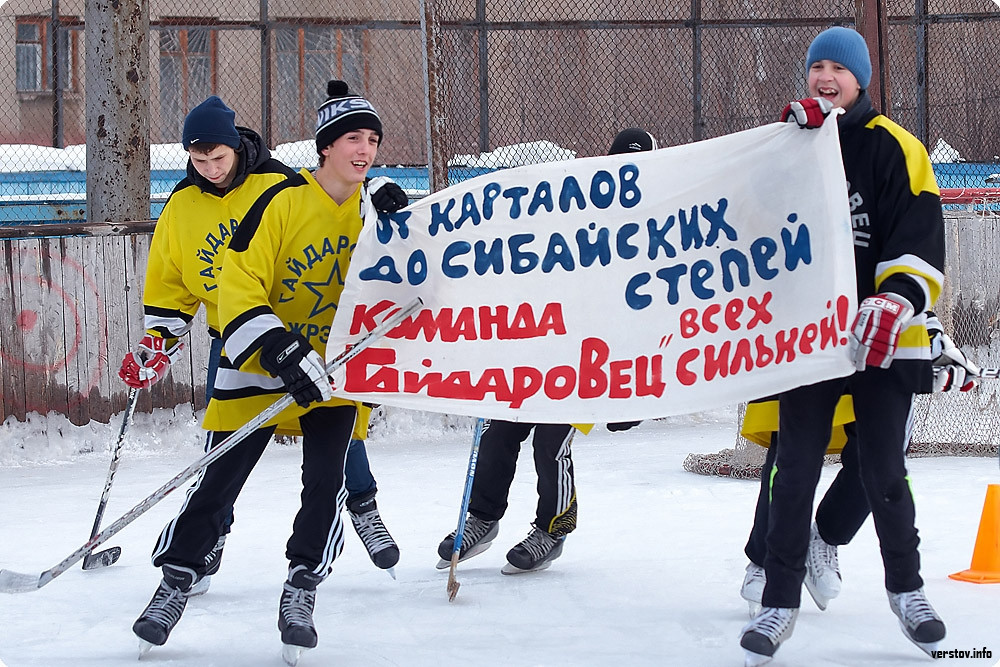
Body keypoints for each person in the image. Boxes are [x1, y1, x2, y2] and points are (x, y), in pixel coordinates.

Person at [130, 81, 399, 661]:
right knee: (220, 475)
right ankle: (178, 577)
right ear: (326, 145)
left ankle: (302, 585)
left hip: (333, 369)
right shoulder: (274, 202)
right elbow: (233, 281)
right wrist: (271, 347)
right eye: (353, 137)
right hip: (254, 354)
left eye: (372, 139)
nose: (365, 148)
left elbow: (412, 271)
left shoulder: (362, 201)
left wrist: (400, 215)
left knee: (326, 482)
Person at [739, 27, 948, 665]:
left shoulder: (896, 149)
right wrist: (783, 148)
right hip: (810, 341)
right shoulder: (795, 143)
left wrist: (898, 296)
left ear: (862, 79)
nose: (825, 77)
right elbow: (752, 223)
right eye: (817, 66)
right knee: (792, 466)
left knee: (882, 468)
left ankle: (908, 592)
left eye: (839, 67)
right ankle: (777, 602)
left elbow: (917, 228)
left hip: (878, 342)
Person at [435, 128, 657, 575]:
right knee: (498, 431)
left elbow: (650, 312)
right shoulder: (574, 210)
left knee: (551, 443)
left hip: (592, 363)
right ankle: (482, 517)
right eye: (615, 165)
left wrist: (631, 392)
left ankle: (552, 529)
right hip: (541, 347)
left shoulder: (654, 230)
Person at [739, 313, 981, 616]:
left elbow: (903, 271)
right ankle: (765, 561)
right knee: (789, 452)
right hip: (810, 332)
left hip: (879, 340)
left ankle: (826, 535)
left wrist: (930, 330)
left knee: (882, 455)